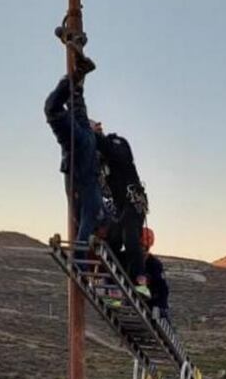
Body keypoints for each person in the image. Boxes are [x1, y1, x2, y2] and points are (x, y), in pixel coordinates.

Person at [44, 69, 105, 249]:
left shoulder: (84, 140)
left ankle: (73, 79)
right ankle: (75, 78)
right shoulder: (93, 200)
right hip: (84, 150)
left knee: (55, 110)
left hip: (82, 149)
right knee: (67, 107)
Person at [94, 123, 150, 297]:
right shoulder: (100, 161)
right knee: (112, 242)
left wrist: (93, 135)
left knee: (130, 238)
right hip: (119, 207)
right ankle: (113, 287)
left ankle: (140, 284)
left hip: (133, 201)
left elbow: (116, 153)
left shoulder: (117, 143)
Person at [141, 227, 171, 321]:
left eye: (144, 247)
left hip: (149, 300)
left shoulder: (154, 264)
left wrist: (160, 306)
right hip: (128, 298)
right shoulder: (123, 259)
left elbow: (162, 287)